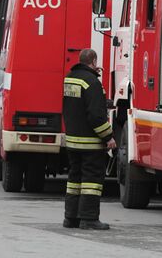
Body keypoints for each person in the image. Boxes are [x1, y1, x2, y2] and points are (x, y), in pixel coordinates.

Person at [62, 48, 116, 230]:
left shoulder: (70, 78)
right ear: (93, 61)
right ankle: (89, 218)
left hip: (73, 141)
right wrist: (108, 136)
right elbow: (95, 116)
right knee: (91, 183)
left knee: (74, 181)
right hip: (90, 143)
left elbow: (76, 106)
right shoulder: (92, 82)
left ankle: (70, 218)